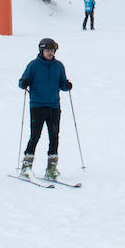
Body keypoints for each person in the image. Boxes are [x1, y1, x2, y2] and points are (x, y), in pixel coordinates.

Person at [18, 37, 73, 180]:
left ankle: (51, 168)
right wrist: (25, 83)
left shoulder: (59, 66)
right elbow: (21, 83)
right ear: (41, 51)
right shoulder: (33, 65)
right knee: (35, 135)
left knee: (54, 136)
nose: (50, 53)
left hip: (54, 106)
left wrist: (66, 86)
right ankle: (26, 167)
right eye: (47, 50)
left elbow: (62, 83)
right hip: (37, 105)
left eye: (52, 50)